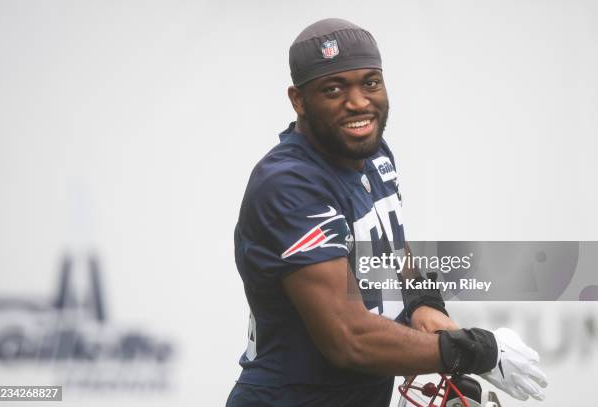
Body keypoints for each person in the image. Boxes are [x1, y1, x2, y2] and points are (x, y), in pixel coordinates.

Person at [226, 18, 547, 407]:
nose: (359, 102)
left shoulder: (372, 153)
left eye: (371, 83)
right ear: (298, 100)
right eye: (333, 89)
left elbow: (389, 251)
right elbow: (349, 338)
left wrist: (422, 303)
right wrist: (473, 350)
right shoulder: (289, 185)